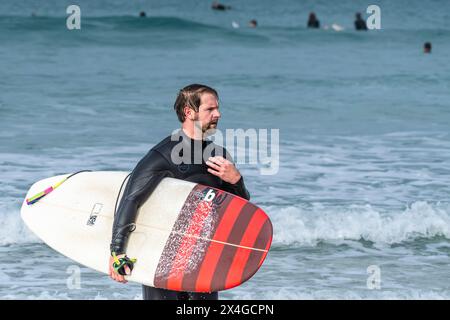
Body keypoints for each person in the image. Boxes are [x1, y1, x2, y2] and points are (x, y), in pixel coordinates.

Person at [109, 84, 250, 300]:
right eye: (210, 109)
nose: (218, 114)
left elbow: (239, 211)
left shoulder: (219, 155)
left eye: (218, 108)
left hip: (203, 261)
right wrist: (117, 252)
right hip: (162, 258)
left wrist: (236, 181)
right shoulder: (163, 154)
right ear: (189, 112)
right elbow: (131, 200)